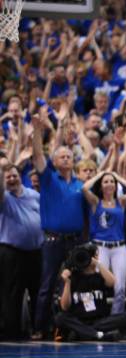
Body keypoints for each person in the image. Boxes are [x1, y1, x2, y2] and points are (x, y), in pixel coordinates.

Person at [31, 116, 87, 340]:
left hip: (74, 241)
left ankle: (70, 327)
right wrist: (37, 132)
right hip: (53, 240)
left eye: (69, 156)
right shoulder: (49, 179)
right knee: (47, 285)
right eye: (61, 156)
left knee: (74, 284)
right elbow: (37, 155)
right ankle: (38, 328)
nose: (66, 158)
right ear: (54, 162)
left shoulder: (80, 184)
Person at [82, 171, 126, 314]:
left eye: (112, 182)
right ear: (100, 186)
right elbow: (84, 188)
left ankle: (116, 318)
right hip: (100, 247)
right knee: (98, 283)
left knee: (119, 287)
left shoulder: (121, 202)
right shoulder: (96, 202)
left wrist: (117, 176)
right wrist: (101, 174)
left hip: (119, 247)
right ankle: (97, 316)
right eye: (106, 182)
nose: (109, 184)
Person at [0, 165, 44, 340]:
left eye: (14, 176)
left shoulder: (34, 196)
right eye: (8, 177)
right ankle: (11, 332)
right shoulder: (4, 198)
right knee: (12, 295)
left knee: (38, 292)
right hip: (12, 252)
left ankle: (39, 329)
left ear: (21, 177)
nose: (12, 179)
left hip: (36, 251)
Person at [55, 244, 126, 341]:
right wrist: (67, 283)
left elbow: (112, 282)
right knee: (60, 318)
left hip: (99, 321)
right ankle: (98, 335)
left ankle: (84, 333)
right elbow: (64, 307)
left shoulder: (100, 276)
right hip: (79, 320)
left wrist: (98, 263)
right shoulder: (73, 277)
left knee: (123, 318)